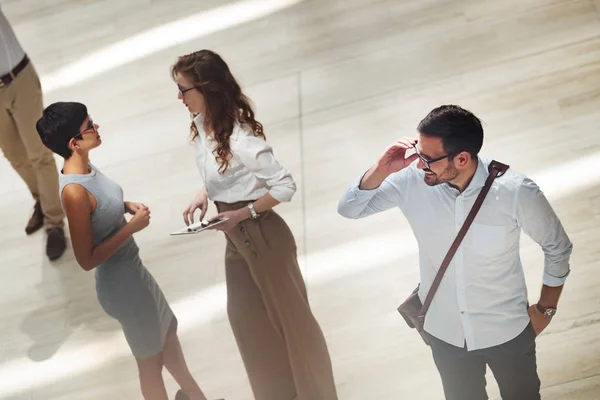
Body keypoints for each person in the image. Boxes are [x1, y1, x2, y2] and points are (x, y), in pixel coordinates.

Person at [337, 105, 573, 400]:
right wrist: (382, 169)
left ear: (462, 158)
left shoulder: (515, 192)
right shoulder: (412, 181)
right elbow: (349, 208)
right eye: (418, 153)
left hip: (507, 331)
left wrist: (545, 310)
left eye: (428, 158)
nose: (419, 164)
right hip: (445, 333)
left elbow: (557, 247)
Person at [172, 49, 338, 400]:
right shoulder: (206, 124)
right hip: (237, 237)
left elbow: (285, 186)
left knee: (295, 328)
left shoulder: (241, 139)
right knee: (248, 322)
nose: (179, 97)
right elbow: (222, 168)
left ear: (207, 89)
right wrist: (205, 191)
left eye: (184, 89)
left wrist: (242, 213)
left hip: (261, 236)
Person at [36, 102, 220, 400]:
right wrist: (130, 228)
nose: (97, 128)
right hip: (122, 288)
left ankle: (196, 397)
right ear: (74, 143)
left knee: (169, 334)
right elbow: (86, 259)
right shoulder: (73, 191)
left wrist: (125, 205)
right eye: (90, 126)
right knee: (150, 365)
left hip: (135, 274)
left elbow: (100, 207)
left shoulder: (85, 167)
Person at [0, 7, 66, 260]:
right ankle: (42, 198)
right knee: (14, 155)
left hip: (19, 79)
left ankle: (54, 224)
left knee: (39, 152)